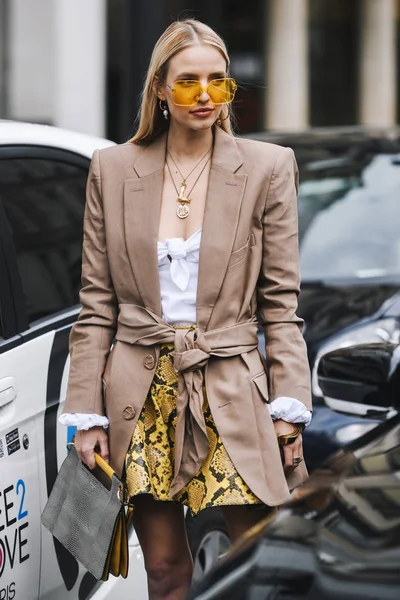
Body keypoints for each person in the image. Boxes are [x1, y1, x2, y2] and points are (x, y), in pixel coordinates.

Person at [59, 18, 312, 600]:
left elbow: (280, 304)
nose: (205, 95)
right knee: (166, 571)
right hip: (141, 393)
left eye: (219, 83)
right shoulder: (113, 169)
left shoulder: (267, 168)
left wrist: (288, 405)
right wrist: (86, 416)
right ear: (159, 89)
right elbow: (96, 304)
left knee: (256, 565)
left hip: (231, 387)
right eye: (189, 81)